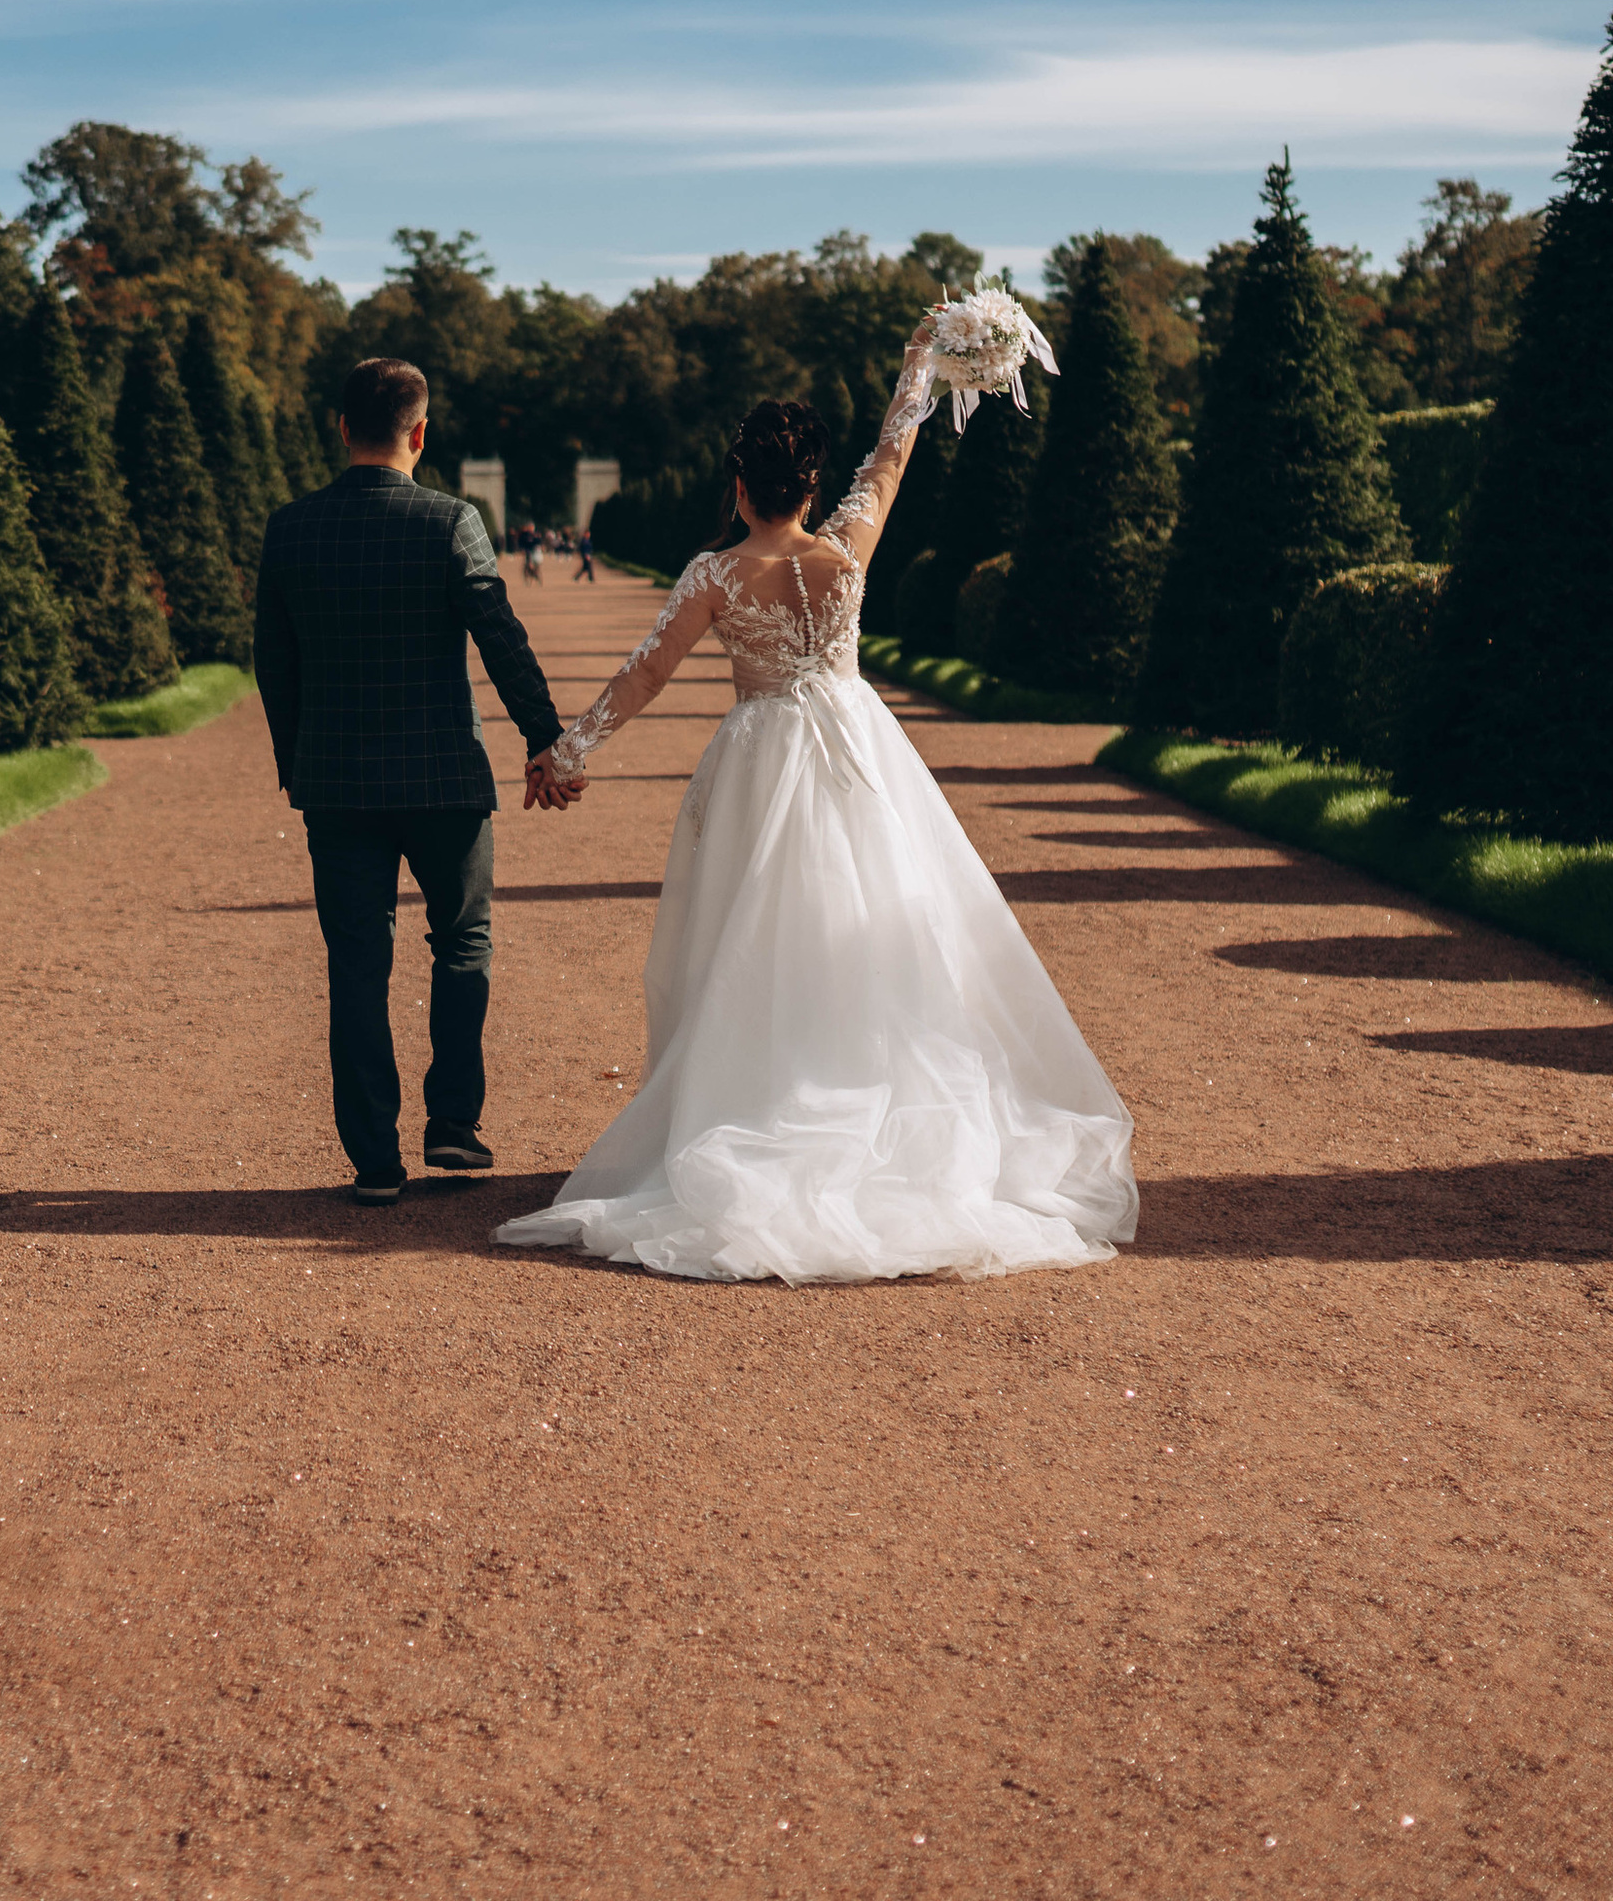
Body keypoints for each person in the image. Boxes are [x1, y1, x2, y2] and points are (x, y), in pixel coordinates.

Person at [494, 329, 1138, 1284]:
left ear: (740, 482)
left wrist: (565, 752)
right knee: (882, 931)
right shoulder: (851, 545)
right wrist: (922, 362)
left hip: (762, 758)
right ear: (809, 482)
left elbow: (645, 676)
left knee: (751, 939)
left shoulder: (716, 574)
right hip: (858, 751)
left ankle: (753, 1107)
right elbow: (894, 451)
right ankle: (868, 1108)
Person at [256, 356, 582, 1207]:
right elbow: (499, 635)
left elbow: (273, 664)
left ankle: (373, 1160)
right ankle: (452, 1124)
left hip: (338, 788)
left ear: (340, 427)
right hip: (444, 778)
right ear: (422, 432)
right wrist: (546, 738)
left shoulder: (291, 529)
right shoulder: (451, 521)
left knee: (357, 966)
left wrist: (300, 765)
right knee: (462, 945)